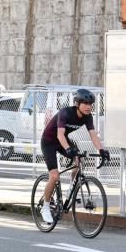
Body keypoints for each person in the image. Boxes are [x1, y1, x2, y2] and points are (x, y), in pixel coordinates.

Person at [40, 88, 109, 224]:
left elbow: (93, 134)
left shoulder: (87, 117)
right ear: (77, 103)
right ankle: (45, 207)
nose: (89, 107)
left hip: (62, 141)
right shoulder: (65, 113)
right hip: (49, 142)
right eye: (86, 103)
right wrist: (68, 149)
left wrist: (101, 150)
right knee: (54, 176)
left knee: (79, 159)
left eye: (91, 104)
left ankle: (71, 188)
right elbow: (60, 134)